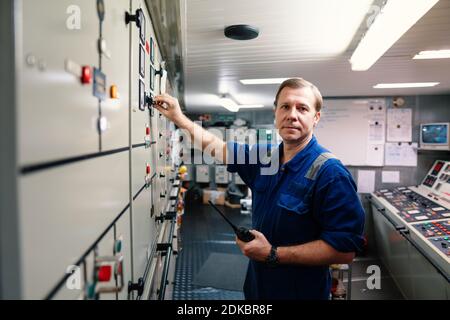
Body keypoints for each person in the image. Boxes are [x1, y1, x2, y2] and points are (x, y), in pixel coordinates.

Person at [153, 78, 365, 300]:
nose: (292, 115)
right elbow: (219, 148)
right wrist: (178, 118)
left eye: (302, 108)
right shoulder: (264, 157)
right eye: (285, 106)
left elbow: (344, 249)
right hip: (257, 289)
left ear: (316, 117)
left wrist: (273, 254)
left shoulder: (330, 174)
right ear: (276, 113)